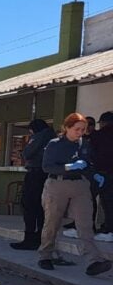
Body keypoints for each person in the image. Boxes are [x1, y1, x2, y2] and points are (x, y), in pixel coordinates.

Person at [37, 112, 111, 276]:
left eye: (83, 129)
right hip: (57, 183)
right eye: (77, 129)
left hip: (80, 185)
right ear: (67, 128)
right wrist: (69, 167)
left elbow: (87, 164)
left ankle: (94, 260)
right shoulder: (54, 144)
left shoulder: (84, 144)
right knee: (52, 221)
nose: (80, 132)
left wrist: (94, 174)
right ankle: (45, 255)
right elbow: (47, 167)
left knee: (85, 224)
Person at [10, 119, 55, 250]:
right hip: (47, 175)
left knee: (29, 205)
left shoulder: (39, 136)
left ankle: (30, 239)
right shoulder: (52, 137)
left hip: (36, 174)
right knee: (42, 208)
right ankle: (41, 238)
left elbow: (27, 153)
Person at [91, 111, 113, 241]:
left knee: (90, 199)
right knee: (110, 203)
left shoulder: (98, 136)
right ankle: (109, 228)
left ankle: (89, 226)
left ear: (103, 123)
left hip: (101, 173)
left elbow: (91, 154)